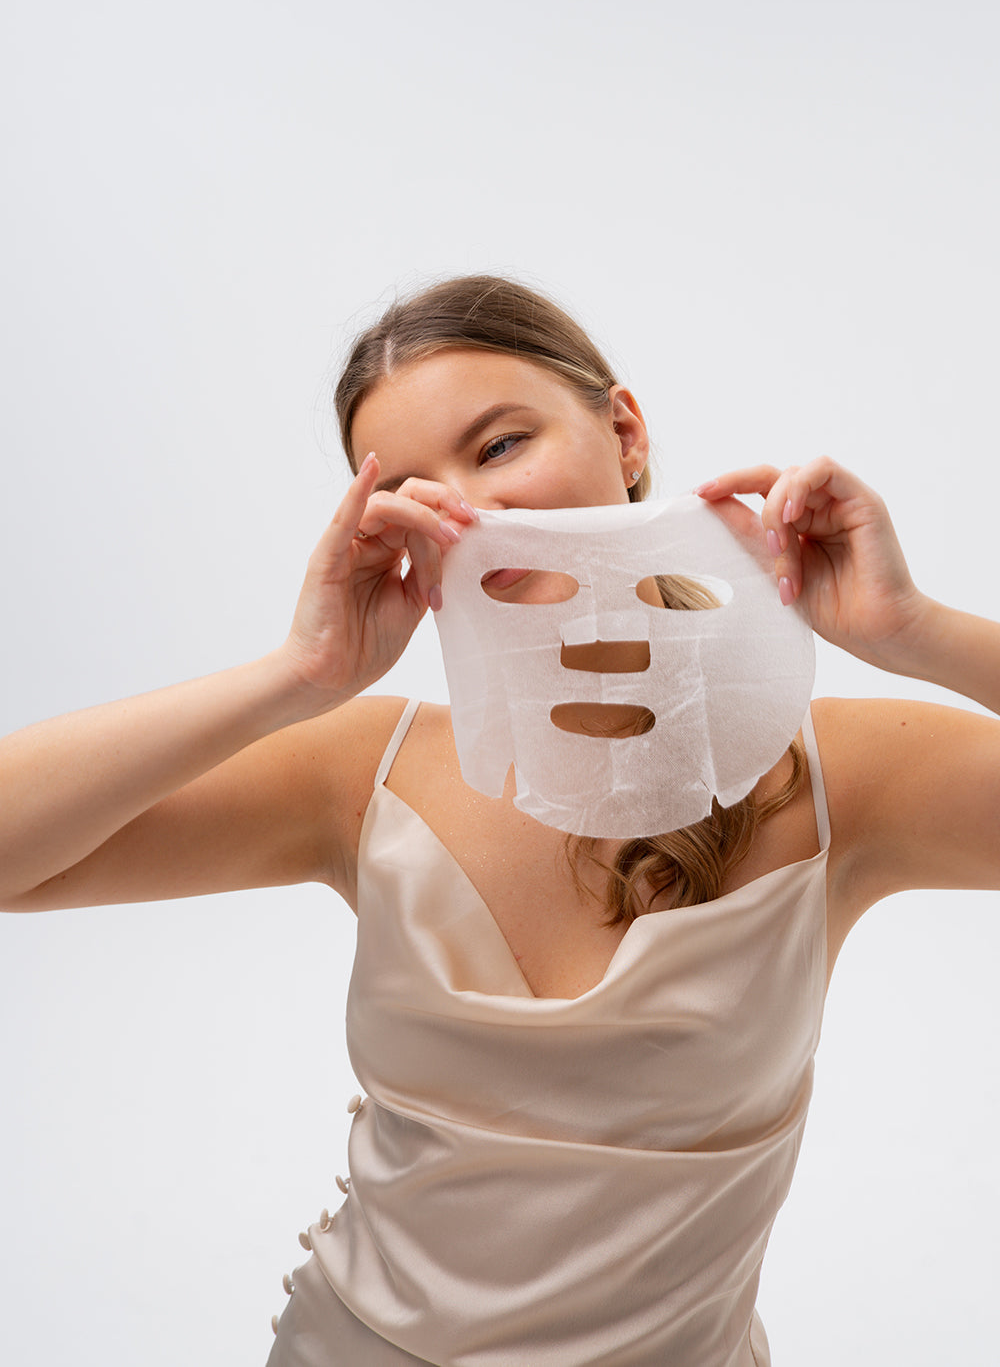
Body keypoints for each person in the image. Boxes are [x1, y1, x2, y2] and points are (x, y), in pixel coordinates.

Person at [1, 275, 998, 1366]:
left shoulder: (832, 778)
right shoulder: (365, 770)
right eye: (417, 492)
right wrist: (296, 675)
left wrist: (919, 630)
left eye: (498, 445)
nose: (476, 511)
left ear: (623, 431)